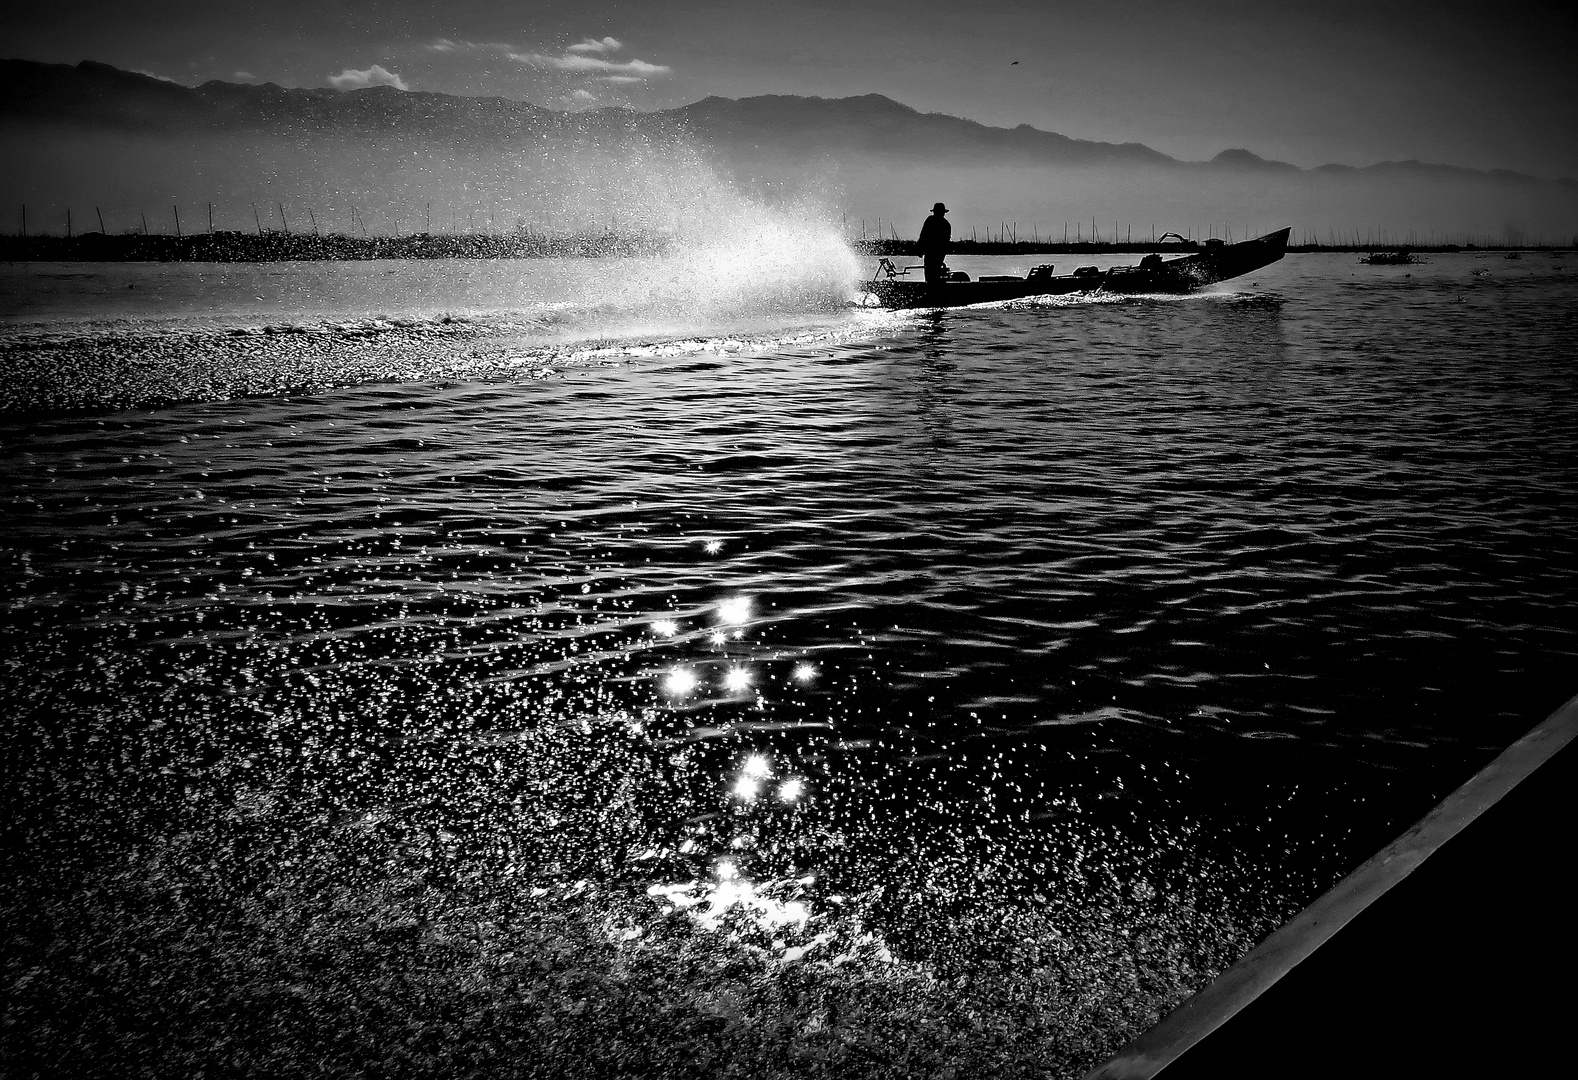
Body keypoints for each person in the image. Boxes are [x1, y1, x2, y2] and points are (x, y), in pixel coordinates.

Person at [918, 202, 951, 284]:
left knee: (931, 272)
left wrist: (920, 249)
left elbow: (923, 236)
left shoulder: (931, 221)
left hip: (933, 252)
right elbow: (923, 236)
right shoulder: (946, 224)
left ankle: (931, 286)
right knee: (933, 271)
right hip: (936, 252)